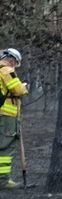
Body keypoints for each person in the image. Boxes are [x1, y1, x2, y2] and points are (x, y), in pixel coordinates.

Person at [0, 48, 29, 189]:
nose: (15, 66)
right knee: (5, 147)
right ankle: (3, 180)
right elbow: (18, 90)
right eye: (16, 63)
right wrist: (24, 87)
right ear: (12, 60)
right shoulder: (6, 71)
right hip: (6, 116)